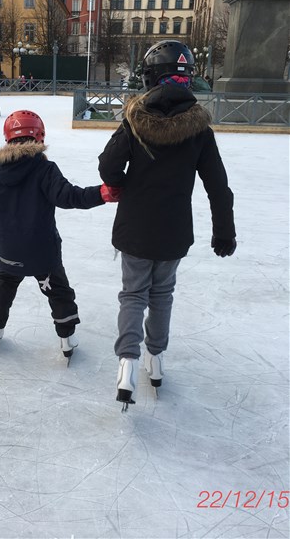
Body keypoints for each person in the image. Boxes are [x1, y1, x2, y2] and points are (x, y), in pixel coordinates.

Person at [98, 40, 236, 409]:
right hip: (174, 232)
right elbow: (218, 187)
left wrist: (122, 185)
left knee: (133, 295)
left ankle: (127, 364)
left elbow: (108, 166)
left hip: (135, 228)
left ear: (150, 77)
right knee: (161, 295)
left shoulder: (135, 120)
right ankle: (155, 360)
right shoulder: (199, 129)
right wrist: (224, 231)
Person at [0, 109, 119, 360]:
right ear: (39, 136)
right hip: (42, 253)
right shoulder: (45, 169)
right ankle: (66, 338)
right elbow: (69, 196)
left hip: (10, 253)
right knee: (58, 291)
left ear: (8, 138)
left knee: (4, 287)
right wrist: (101, 193)